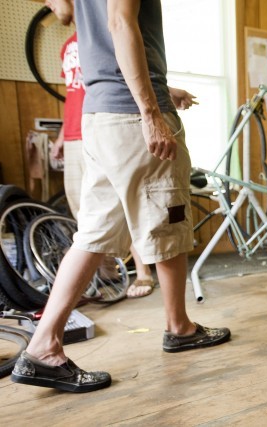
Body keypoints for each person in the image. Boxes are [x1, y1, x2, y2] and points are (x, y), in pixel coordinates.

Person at [11, 0, 230, 393]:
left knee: (93, 235)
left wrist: (160, 89)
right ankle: (180, 328)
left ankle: (43, 344)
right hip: (131, 117)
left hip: (100, 116)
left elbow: (96, 36)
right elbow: (119, 22)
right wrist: (150, 111)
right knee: (169, 223)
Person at [49, 5, 165, 299]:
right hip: (101, 122)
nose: (49, 5)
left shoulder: (101, 25)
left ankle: (45, 338)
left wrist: (156, 102)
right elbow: (83, 87)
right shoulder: (74, 43)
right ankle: (178, 326)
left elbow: (123, 54)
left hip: (114, 116)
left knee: (121, 215)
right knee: (95, 224)